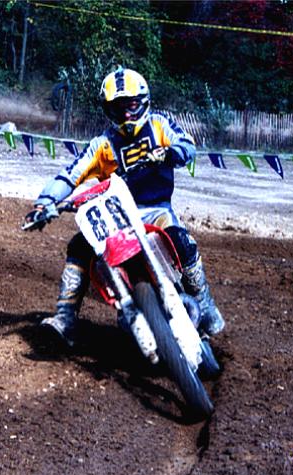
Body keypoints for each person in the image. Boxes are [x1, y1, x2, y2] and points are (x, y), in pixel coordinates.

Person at [25, 67, 225, 346]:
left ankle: (204, 304)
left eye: (131, 105)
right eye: (119, 108)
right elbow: (70, 174)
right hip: (115, 216)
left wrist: (170, 152)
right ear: (109, 110)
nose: (127, 114)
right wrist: (44, 204)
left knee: (180, 239)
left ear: (143, 101)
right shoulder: (102, 144)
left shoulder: (159, 124)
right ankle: (66, 317)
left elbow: (187, 144)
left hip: (156, 210)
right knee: (79, 246)